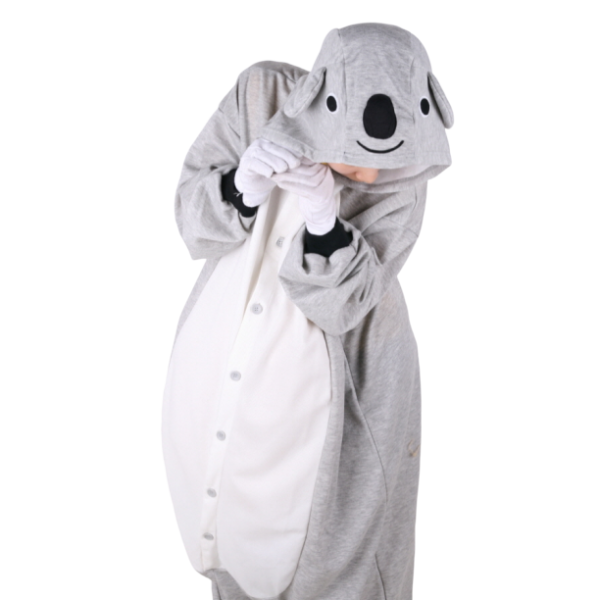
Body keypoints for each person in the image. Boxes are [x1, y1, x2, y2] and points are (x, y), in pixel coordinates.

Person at [161, 21, 454, 600]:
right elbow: (191, 222)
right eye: (356, 155)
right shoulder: (260, 96)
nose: (370, 176)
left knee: (344, 555)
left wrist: (325, 222)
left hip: (357, 378)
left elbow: (345, 304)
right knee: (229, 536)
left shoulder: (402, 179)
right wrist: (242, 188)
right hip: (220, 383)